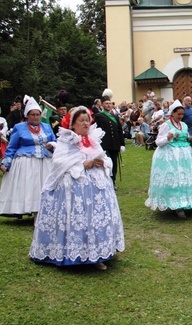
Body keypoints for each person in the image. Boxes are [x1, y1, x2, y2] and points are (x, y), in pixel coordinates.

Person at [29, 107, 124, 270]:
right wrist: (82, 164)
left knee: (95, 217)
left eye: (88, 120)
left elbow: (106, 158)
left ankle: (97, 253)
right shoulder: (67, 141)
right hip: (74, 185)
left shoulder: (93, 139)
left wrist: (102, 163)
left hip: (96, 185)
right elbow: (59, 162)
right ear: (73, 125)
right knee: (78, 216)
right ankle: (73, 252)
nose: (86, 123)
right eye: (82, 120)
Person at [145, 100, 192, 218]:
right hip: (171, 155)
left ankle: (188, 202)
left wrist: (191, 138)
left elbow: (184, 136)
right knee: (175, 179)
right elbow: (158, 142)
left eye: (182, 114)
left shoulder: (184, 125)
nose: (180, 116)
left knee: (185, 178)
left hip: (184, 156)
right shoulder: (165, 125)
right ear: (172, 113)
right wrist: (168, 138)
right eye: (178, 114)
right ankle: (177, 205)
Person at [0, 95, 56, 219]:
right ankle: (31, 210)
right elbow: (12, 146)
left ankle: (44, 212)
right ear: (27, 116)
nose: (36, 117)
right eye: (33, 115)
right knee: (31, 187)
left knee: (45, 186)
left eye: (37, 114)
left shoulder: (46, 127)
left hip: (45, 161)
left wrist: (52, 146)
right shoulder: (19, 128)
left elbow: (55, 141)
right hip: (26, 162)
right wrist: (6, 162)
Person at [94, 89, 125, 189]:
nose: (108, 105)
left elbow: (119, 131)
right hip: (105, 144)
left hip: (114, 145)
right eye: (106, 103)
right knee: (106, 164)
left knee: (114, 164)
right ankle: (106, 181)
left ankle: (113, 181)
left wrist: (122, 144)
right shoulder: (99, 116)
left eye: (110, 103)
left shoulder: (115, 117)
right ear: (102, 105)